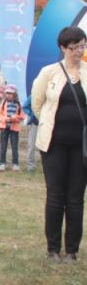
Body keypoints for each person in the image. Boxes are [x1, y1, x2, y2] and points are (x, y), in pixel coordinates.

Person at [31, 26, 87, 263]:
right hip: (53, 144)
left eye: (82, 46)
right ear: (63, 48)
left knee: (76, 197)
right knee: (55, 195)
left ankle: (71, 250)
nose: (78, 51)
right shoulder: (49, 72)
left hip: (81, 146)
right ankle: (52, 248)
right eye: (74, 47)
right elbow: (37, 103)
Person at [0, 84, 24, 172]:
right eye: (7, 93)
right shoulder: (3, 103)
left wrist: (14, 118)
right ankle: (2, 163)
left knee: (14, 146)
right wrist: (5, 119)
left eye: (10, 93)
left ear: (15, 94)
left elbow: (21, 116)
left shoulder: (18, 104)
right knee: (3, 146)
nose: (8, 95)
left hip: (14, 128)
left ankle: (15, 164)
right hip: (4, 128)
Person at [22, 94, 39, 172]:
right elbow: (25, 106)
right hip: (35, 122)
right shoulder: (34, 94)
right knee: (31, 144)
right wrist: (31, 114)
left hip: (48, 123)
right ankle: (30, 166)